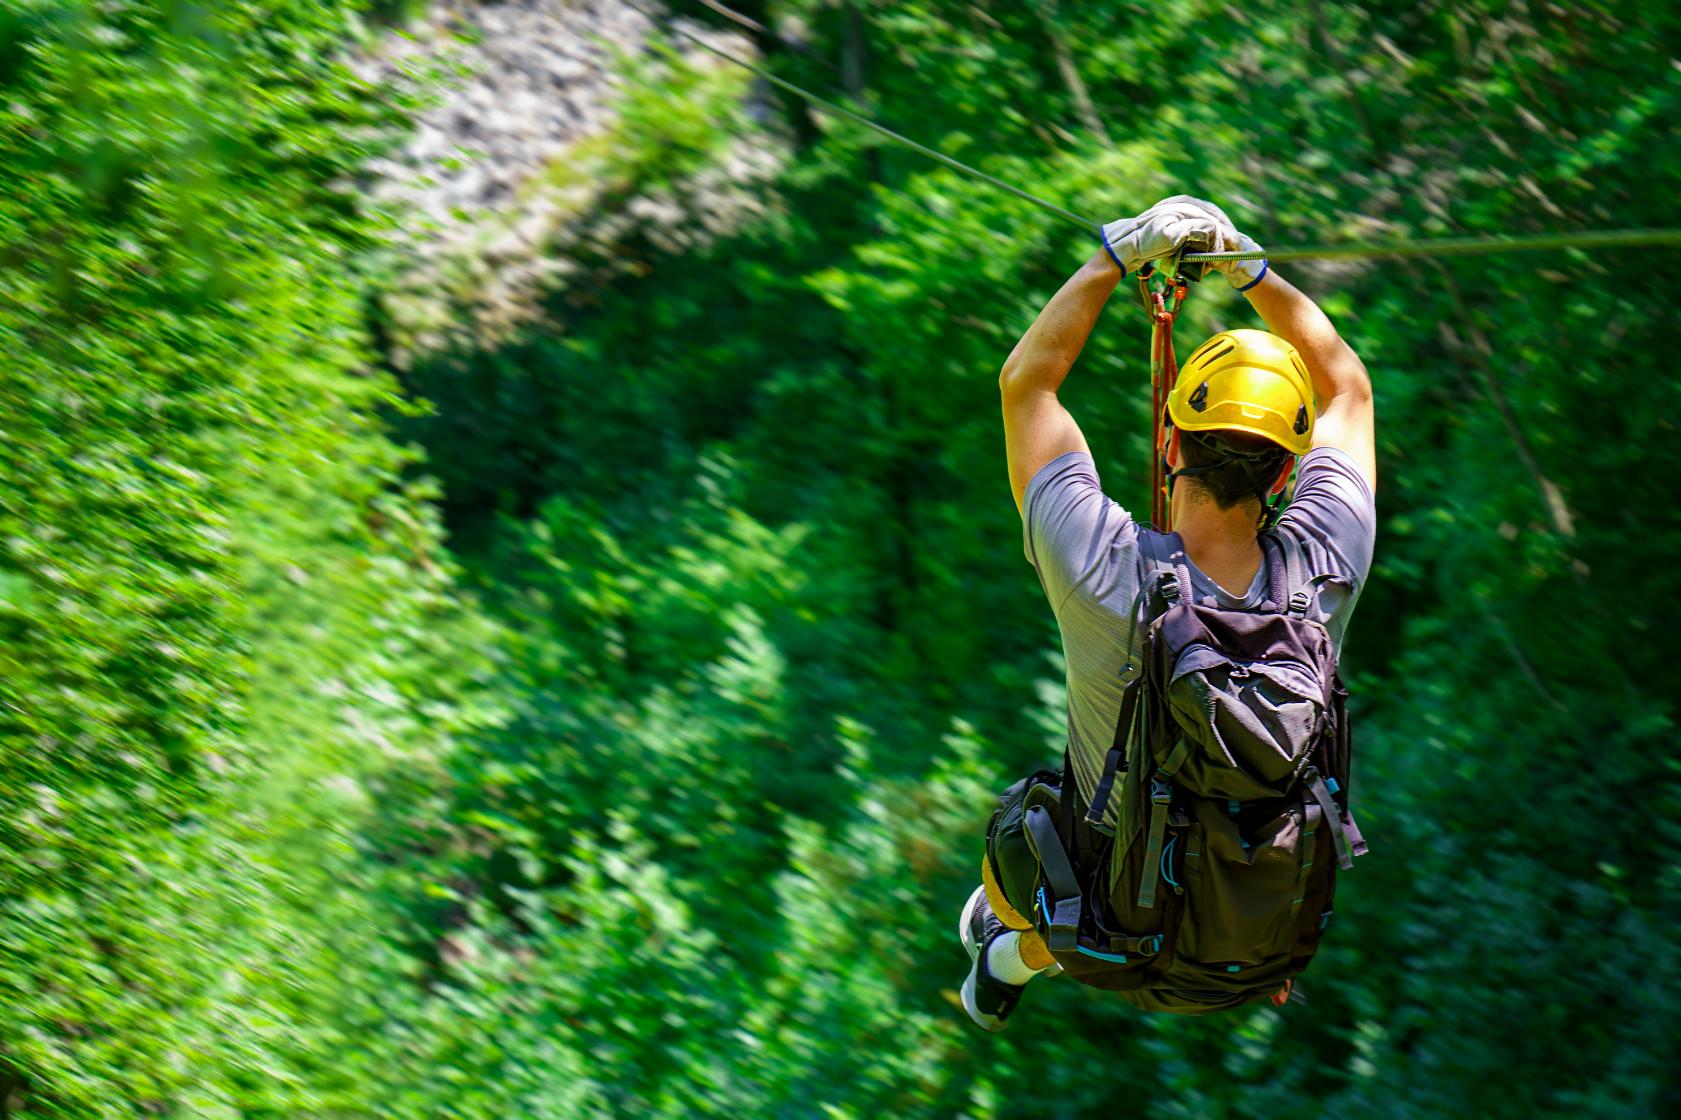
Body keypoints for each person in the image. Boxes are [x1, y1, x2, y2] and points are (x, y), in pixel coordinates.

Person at [959, 196, 1377, 1030]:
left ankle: (1009, 947)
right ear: (1286, 475)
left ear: (1167, 439)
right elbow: (1348, 389)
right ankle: (1008, 958)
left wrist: (1113, 257)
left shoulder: (1103, 566)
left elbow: (1026, 382)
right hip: (1255, 947)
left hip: (1111, 933)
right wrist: (1250, 269)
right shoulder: (1325, 566)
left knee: (1022, 829)